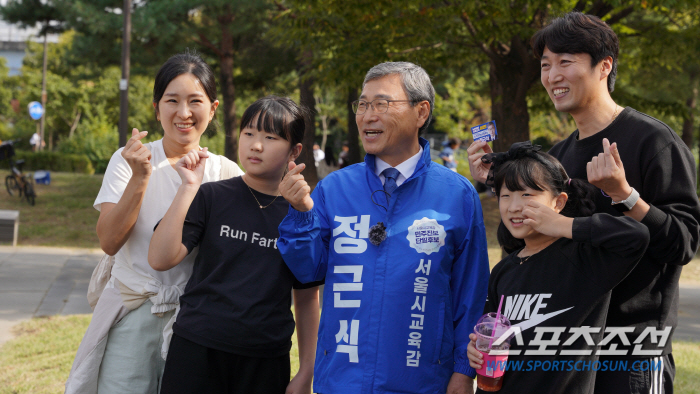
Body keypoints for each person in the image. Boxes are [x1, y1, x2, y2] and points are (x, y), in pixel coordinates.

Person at [467, 12, 700, 393]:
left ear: (603, 66)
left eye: (565, 62)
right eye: (545, 65)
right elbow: (528, 247)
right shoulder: (557, 156)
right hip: (566, 358)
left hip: (631, 352)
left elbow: (684, 243)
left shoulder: (653, 141)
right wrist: (501, 186)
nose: (552, 75)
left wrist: (624, 194)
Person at [278, 61, 490, 394]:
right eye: (362, 105)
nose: (367, 115)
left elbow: (471, 292)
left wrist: (463, 372)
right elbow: (307, 272)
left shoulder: (457, 194)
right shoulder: (333, 189)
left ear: (421, 113)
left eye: (382, 104)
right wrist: (301, 214)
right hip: (342, 380)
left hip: (422, 382)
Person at [65, 52, 244, 394]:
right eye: (172, 100)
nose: (183, 112)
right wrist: (140, 176)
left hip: (196, 323)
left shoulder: (226, 173)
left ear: (214, 107)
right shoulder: (129, 160)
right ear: (156, 107)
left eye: (195, 101)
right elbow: (109, 242)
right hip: (134, 313)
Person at [148, 96, 321, 394]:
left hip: (264, 359)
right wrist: (188, 187)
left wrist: (307, 371)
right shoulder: (211, 196)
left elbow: (307, 299)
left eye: (270, 137)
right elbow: (160, 258)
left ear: (294, 150)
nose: (256, 145)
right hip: (196, 348)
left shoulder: (303, 213)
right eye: (249, 134)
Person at [466, 141, 649, 394]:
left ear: (559, 202)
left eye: (527, 194)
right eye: (506, 195)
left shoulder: (585, 259)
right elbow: (491, 328)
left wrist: (563, 225)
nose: (514, 206)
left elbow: (636, 236)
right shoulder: (504, 270)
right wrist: (476, 348)